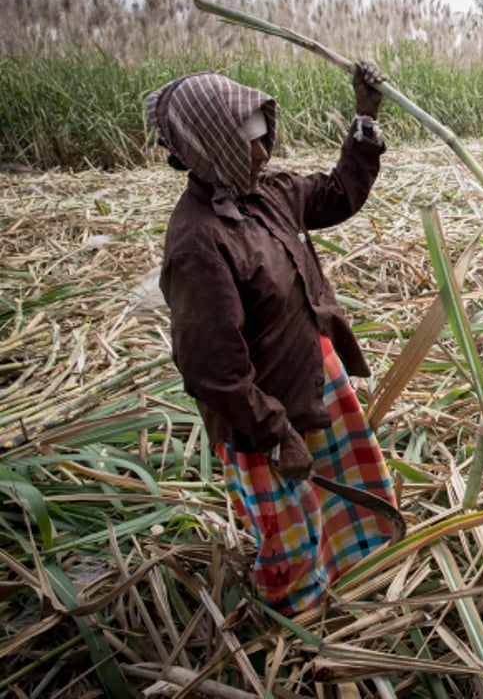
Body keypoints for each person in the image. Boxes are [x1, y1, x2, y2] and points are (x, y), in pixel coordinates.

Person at [150, 62, 400, 617]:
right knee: (290, 529)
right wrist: (273, 430)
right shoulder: (197, 243)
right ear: (211, 146)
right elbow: (212, 369)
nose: (264, 154)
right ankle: (299, 622)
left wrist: (365, 116)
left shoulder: (271, 191)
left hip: (314, 376)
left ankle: (354, 580)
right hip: (261, 416)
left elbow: (337, 194)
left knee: (342, 490)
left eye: (264, 138)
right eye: (249, 144)